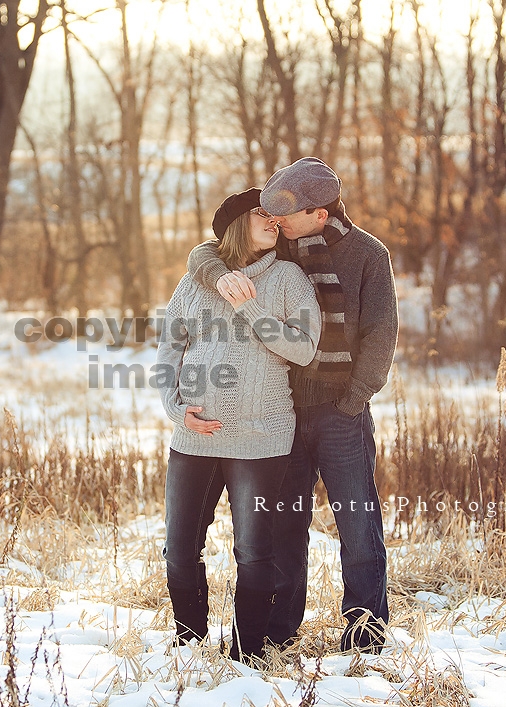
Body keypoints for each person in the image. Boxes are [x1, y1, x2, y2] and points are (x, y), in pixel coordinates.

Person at [186, 158, 398, 654]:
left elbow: (380, 334)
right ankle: (280, 630)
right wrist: (218, 274)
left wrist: (353, 399)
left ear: (319, 214)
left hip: (340, 413)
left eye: (287, 212)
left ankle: (365, 634)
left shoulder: (368, 254)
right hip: (284, 411)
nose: (274, 221)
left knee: (357, 523)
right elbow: (206, 251)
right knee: (285, 524)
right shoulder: (282, 246)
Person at [157, 188, 322, 664]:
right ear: (234, 223)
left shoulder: (289, 278)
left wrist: (250, 308)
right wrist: (174, 408)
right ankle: (189, 644)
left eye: (277, 216)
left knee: (252, 551)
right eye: (261, 214)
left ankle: (247, 654)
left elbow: (304, 348)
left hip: (261, 438)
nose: (273, 221)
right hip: (194, 436)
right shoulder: (195, 281)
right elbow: (170, 349)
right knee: (179, 548)